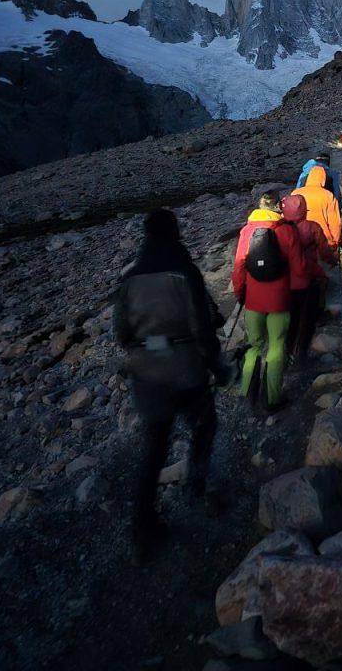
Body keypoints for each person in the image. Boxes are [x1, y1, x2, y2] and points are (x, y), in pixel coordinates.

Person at [113, 208, 228, 562]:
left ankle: (143, 526)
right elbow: (202, 327)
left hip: (147, 376)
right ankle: (196, 483)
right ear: (175, 233)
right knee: (204, 425)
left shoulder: (130, 278)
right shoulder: (185, 271)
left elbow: (122, 333)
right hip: (187, 368)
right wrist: (216, 365)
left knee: (154, 448)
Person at [231, 191, 306, 412]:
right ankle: (271, 399)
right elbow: (299, 269)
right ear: (278, 208)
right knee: (276, 347)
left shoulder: (246, 231)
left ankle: (247, 392)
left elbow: (239, 267)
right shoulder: (286, 231)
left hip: (253, 300)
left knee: (253, 346)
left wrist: (239, 293)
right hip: (279, 300)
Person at [281, 194, 337, 360]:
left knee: (292, 318)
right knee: (308, 318)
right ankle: (302, 354)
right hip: (308, 276)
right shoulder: (312, 227)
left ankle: (287, 351)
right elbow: (324, 251)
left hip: (285, 280)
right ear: (304, 210)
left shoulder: (280, 230)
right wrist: (333, 260)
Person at [292, 165, 342, 250]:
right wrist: (335, 242)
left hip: (299, 237)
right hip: (323, 238)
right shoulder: (328, 195)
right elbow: (334, 222)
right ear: (323, 179)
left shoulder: (296, 193)